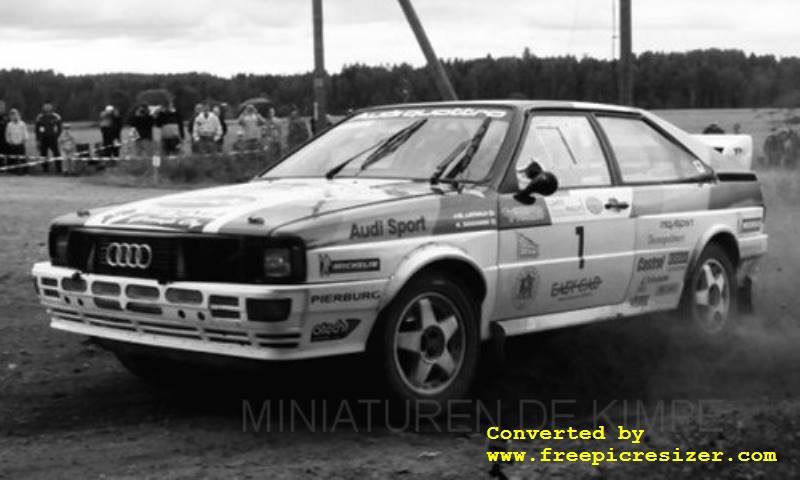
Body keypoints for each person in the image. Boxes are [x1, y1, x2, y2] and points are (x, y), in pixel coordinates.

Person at [35, 102, 63, 173]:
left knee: (56, 153)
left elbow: (60, 128)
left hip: (53, 138)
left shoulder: (56, 116)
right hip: (43, 139)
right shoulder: (39, 117)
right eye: (45, 106)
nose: (47, 107)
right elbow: (37, 130)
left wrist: (56, 136)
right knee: (43, 154)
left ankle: (59, 169)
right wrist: (38, 140)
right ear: (43, 107)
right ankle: (45, 170)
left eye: (48, 106)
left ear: (51, 107)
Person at [5, 108, 28, 174]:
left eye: (15, 114)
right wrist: (9, 142)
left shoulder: (22, 124)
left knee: (22, 159)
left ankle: (24, 172)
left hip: (20, 144)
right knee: (12, 159)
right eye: (12, 115)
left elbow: (25, 133)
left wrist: (23, 141)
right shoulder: (9, 125)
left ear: (18, 115)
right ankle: (12, 171)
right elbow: (7, 135)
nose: (14, 116)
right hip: (12, 145)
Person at [0, 100, 8, 169]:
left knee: (5, 155)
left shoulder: (7, 117)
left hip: (5, 140)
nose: (1, 108)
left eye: (2, 106)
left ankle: (5, 168)